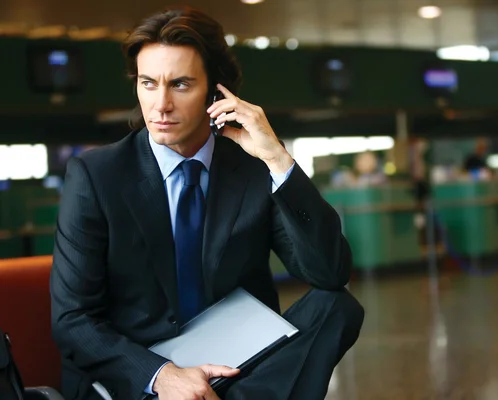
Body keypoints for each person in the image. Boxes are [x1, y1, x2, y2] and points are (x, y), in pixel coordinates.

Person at [49, 7, 364, 400]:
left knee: (338, 307)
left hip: (235, 357)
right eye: (148, 83)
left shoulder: (251, 166)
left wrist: (278, 161)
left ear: (216, 92)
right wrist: (163, 376)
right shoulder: (96, 175)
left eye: (180, 85)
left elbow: (328, 273)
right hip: (142, 366)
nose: (160, 105)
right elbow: (72, 320)